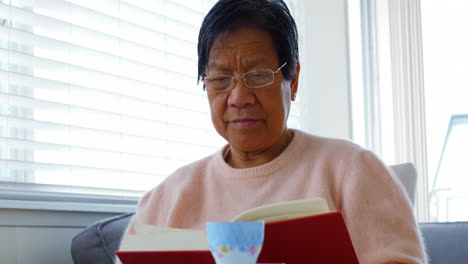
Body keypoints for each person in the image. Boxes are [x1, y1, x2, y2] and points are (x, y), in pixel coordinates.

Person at [119, 0, 426, 263]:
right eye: (220, 79)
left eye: (258, 75)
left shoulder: (351, 170)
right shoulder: (166, 198)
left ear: (292, 79)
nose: (238, 98)